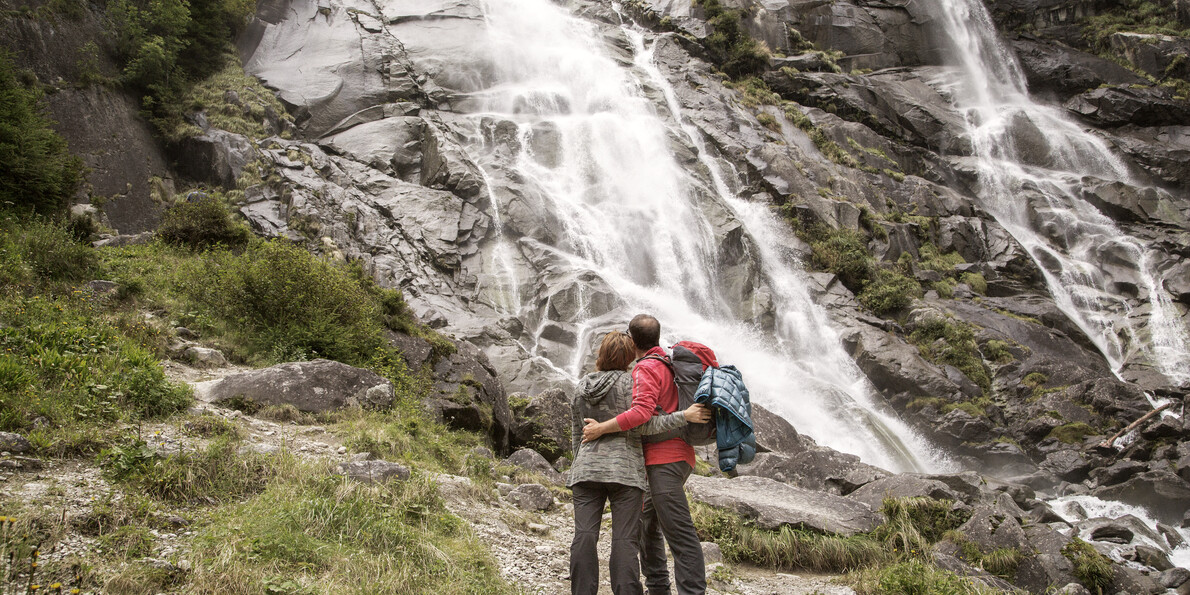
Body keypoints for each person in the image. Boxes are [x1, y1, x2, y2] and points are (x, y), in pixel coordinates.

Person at [569, 330, 712, 595]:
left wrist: (576, 466)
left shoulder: (581, 386)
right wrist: (684, 416)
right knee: (624, 539)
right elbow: (644, 424)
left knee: (584, 536)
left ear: (600, 354)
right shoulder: (631, 382)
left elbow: (577, 433)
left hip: (586, 469)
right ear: (628, 356)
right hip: (625, 472)